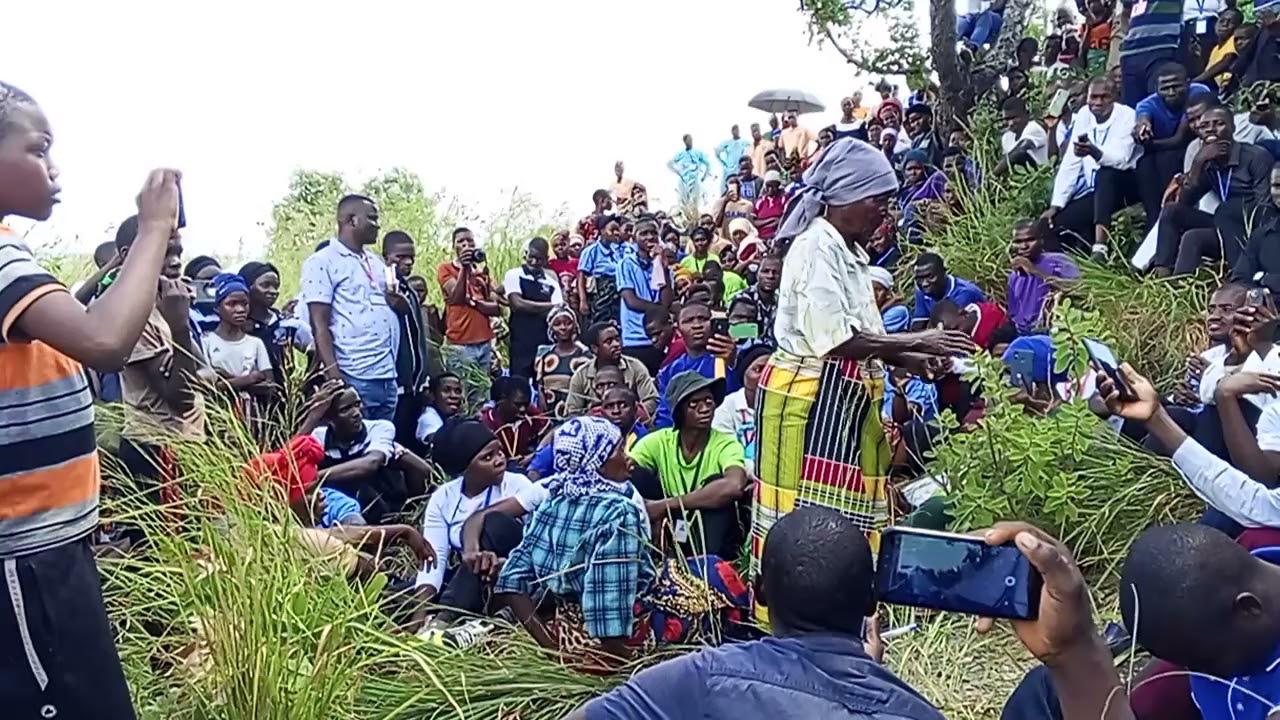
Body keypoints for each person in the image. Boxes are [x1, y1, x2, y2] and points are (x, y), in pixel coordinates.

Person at [574, 508, 1130, 720]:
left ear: (761, 593)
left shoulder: (695, 677)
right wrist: (1074, 649)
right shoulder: (912, 715)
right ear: (872, 604)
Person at [0, 82, 185, 719]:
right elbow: (104, 341)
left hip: (46, 548)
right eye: (38, 149)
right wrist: (155, 227)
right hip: (25, 555)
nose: (54, 168)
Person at [754, 138, 973, 623]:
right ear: (844, 198)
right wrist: (921, 341)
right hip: (810, 405)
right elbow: (835, 341)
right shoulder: (814, 248)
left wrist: (915, 358)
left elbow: (864, 337)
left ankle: (844, 617)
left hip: (844, 399)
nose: (885, 213)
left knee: (841, 520)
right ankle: (800, 622)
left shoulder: (847, 252)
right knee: (807, 525)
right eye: (878, 200)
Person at [115, 214, 208, 517]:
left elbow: (200, 371)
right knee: (165, 548)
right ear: (131, 256)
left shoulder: (167, 305)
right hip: (154, 447)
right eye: (164, 251)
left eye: (178, 252)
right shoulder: (137, 316)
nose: (176, 261)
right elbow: (179, 399)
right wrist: (180, 327)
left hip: (184, 443)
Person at [413, 418, 532, 630]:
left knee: (493, 522)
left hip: (511, 572)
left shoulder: (517, 485)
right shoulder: (443, 498)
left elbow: (533, 547)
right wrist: (417, 615)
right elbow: (434, 559)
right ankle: (432, 621)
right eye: (487, 457)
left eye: (499, 451)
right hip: (469, 579)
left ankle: (444, 619)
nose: (499, 460)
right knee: (400, 595)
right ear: (464, 469)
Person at [301, 195, 400, 421]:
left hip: (386, 375)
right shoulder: (322, 262)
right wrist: (335, 377)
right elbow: (319, 325)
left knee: (384, 444)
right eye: (372, 218)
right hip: (353, 374)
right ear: (351, 220)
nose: (378, 225)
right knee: (358, 448)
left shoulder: (375, 261)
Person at [630, 372, 749, 557]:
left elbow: (734, 485)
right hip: (671, 526)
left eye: (709, 401)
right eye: (694, 403)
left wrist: (665, 505)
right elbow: (624, 471)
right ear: (679, 412)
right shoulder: (658, 441)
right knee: (636, 476)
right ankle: (644, 552)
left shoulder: (725, 443)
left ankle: (709, 566)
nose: (704, 408)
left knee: (718, 483)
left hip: (710, 533)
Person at [1153, 105, 1276, 276]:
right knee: (1175, 215)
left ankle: (1239, 277)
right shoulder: (1208, 161)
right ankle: (1165, 281)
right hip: (1224, 225)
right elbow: (1185, 202)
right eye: (1204, 126)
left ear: (1232, 128)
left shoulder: (1255, 157)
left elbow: (1265, 208)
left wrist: (1236, 212)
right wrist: (1197, 164)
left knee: (1227, 209)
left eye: (1218, 124)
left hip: (1252, 230)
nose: (1210, 129)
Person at [1043, 78, 1144, 258]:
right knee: (1058, 222)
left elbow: (1121, 159)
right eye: (1093, 97)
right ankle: (1074, 266)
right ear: (1087, 98)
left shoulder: (1127, 115)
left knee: (1105, 174)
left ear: (1115, 97)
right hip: (1096, 191)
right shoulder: (1084, 115)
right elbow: (1070, 163)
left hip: (1124, 183)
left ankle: (1100, 246)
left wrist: (1094, 152)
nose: (1098, 103)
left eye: (1104, 97)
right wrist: (1056, 205)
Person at [310, 385, 425, 524]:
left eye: (357, 404)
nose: (356, 413)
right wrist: (313, 415)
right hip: (344, 510)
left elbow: (370, 464)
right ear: (328, 418)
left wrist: (315, 478)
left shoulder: (380, 428)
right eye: (345, 410)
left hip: (384, 506)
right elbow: (290, 461)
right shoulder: (318, 437)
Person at [382, 230, 433, 446]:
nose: (408, 262)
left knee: (410, 440)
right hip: (396, 385)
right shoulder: (381, 289)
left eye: (411, 257)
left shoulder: (409, 291)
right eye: (400, 257)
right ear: (385, 256)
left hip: (415, 384)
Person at [204, 272, 274, 427]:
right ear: (217, 307)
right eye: (232, 304)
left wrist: (226, 380)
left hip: (253, 419)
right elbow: (208, 388)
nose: (240, 309)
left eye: (244, 304)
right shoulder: (207, 342)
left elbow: (269, 386)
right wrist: (249, 379)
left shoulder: (255, 343)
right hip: (219, 419)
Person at [654, 302, 738, 428]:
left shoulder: (730, 356)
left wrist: (732, 363)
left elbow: (736, 396)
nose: (697, 325)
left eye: (703, 319)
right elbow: (665, 417)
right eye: (688, 321)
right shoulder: (669, 371)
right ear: (678, 329)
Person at [437, 227, 501, 393]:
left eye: (470, 241)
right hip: (460, 343)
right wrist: (464, 269)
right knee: (461, 392)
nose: (466, 245)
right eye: (461, 242)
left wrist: (473, 302)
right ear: (454, 247)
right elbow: (456, 296)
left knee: (481, 392)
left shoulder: (482, 272)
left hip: (484, 342)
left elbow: (495, 307)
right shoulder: (446, 269)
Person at [239, 260, 309, 395]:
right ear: (247, 287)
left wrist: (306, 382)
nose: (273, 291)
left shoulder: (285, 324)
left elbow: (314, 349)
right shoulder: (237, 325)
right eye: (265, 285)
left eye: (276, 286)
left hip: (283, 398)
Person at [566, 321, 659, 419]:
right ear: (594, 349)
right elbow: (572, 411)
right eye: (609, 342)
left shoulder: (635, 367)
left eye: (617, 339)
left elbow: (652, 400)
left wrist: (629, 414)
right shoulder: (581, 375)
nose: (616, 344)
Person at [617, 215, 674, 375]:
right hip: (634, 340)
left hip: (658, 340)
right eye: (644, 233)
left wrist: (662, 266)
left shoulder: (662, 264)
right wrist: (659, 310)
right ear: (634, 238)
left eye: (653, 233)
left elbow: (667, 301)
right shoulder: (626, 264)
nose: (649, 237)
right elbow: (631, 301)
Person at [503, 236, 564, 379]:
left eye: (539, 259)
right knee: (519, 384)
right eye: (531, 257)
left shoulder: (551, 283)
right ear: (526, 254)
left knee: (544, 382)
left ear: (546, 259)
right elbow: (517, 304)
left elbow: (559, 310)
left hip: (545, 343)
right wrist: (549, 306)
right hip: (520, 343)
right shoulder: (514, 274)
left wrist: (529, 305)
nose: (534, 262)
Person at [1007, 219, 1080, 333]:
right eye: (1018, 242)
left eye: (1030, 240)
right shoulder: (1014, 276)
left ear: (1041, 240)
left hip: (1056, 330)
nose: (1024, 246)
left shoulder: (1058, 261)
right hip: (1024, 334)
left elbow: (1078, 290)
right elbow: (1014, 315)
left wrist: (1034, 270)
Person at [712, 341, 771, 477]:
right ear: (744, 375)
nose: (766, 377)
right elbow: (724, 454)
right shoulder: (727, 407)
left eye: (770, 370)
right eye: (758, 369)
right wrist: (761, 475)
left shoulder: (786, 407)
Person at [535, 305, 592, 422]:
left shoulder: (585, 355)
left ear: (575, 326)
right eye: (557, 324)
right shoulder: (544, 355)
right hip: (550, 411)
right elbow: (540, 385)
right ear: (551, 328)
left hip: (576, 412)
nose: (563, 328)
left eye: (568, 323)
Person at [1234, 165, 1280, 293]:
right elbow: (1239, 281)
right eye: (1277, 186)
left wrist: (1264, 279)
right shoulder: (1260, 236)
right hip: (1267, 309)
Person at [577, 214, 626, 326]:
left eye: (617, 230)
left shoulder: (618, 251)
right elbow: (581, 276)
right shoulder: (591, 251)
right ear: (602, 230)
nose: (616, 233)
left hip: (618, 297)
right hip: (600, 298)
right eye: (612, 229)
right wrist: (583, 301)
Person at [911, 251, 986, 324]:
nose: (924, 284)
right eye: (919, 279)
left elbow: (950, 328)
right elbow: (919, 322)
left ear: (944, 273)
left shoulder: (964, 293)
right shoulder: (922, 291)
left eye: (930, 277)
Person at [731, 253, 781, 343]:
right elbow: (735, 333)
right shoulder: (743, 299)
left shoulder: (781, 301)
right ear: (757, 274)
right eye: (765, 271)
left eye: (775, 272)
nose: (770, 276)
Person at [995, 96, 1050, 174]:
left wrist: (994, 173)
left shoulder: (1033, 128)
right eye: (1007, 119)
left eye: (1014, 118)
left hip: (1041, 175)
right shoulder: (1006, 138)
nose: (1011, 123)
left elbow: (1020, 151)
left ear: (1026, 115)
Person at [1195, 8, 1244, 88]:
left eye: (1230, 22)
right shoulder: (1215, 49)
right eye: (1222, 20)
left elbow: (1226, 62)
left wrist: (1196, 81)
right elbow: (1207, 72)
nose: (1225, 24)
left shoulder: (1234, 40)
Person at [669, 134, 711, 213]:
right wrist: (677, 172)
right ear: (684, 142)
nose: (690, 142)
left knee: (695, 201)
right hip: (684, 181)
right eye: (688, 140)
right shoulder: (680, 153)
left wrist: (704, 176)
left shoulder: (698, 152)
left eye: (691, 140)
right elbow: (670, 163)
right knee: (684, 203)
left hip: (695, 180)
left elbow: (708, 164)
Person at [867, 266, 911, 333]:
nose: (873, 294)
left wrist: (882, 309)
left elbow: (872, 333)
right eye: (869, 288)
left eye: (878, 290)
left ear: (888, 293)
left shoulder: (897, 311)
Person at [904, 104, 946, 168]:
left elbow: (935, 132)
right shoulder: (916, 141)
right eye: (912, 122)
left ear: (928, 117)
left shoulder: (935, 135)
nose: (916, 123)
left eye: (918, 118)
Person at [715, 125, 751, 192]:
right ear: (731, 132)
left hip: (739, 169)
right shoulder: (727, 143)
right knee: (727, 188)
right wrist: (724, 164)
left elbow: (750, 151)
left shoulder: (745, 142)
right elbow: (717, 151)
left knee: (740, 187)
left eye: (737, 130)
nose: (735, 132)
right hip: (729, 170)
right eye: (734, 130)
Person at [753, 171, 786, 241]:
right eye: (768, 186)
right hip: (760, 238)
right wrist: (770, 220)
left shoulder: (783, 200)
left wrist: (762, 222)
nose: (770, 189)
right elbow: (753, 222)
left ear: (778, 186)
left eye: (774, 186)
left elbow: (783, 220)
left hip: (777, 237)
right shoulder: (759, 202)